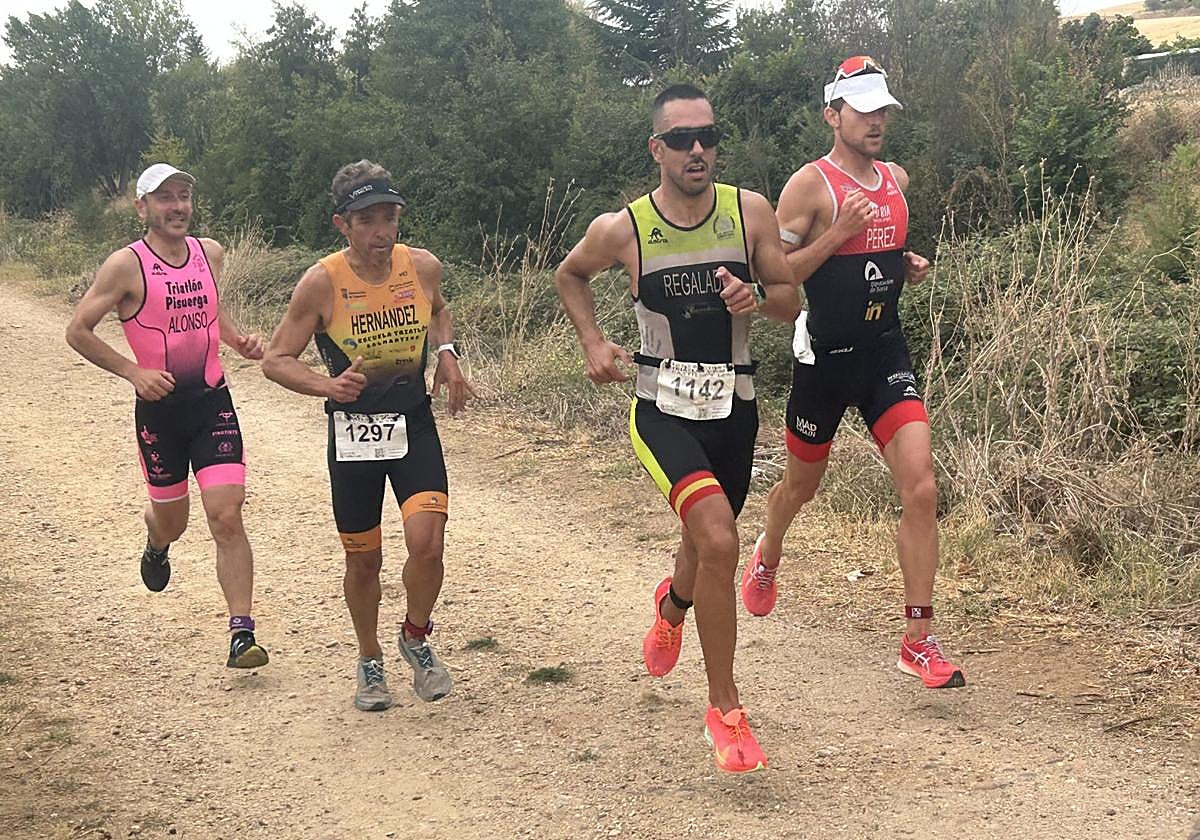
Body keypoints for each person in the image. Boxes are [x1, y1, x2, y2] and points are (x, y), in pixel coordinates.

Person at [555, 85, 800, 773]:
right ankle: (725, 713)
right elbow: (570, 275)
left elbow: (789, 299)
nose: (699, 149)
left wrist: (758, 296)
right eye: (683, 138)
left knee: (705, 545)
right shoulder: (624, 228)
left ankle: (673, 604)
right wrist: (593, 343)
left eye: (709, 136)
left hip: (734, 407)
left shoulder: (749, 211)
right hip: (660, 408)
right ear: (656, 148)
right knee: (720, 537)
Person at [741, 56, 964, 689]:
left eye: (882, 109)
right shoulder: (808, 188)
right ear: (832, 114)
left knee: (921, 490)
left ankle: (918, 639)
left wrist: (904, 264)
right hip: (825, 359)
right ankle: (768, 551)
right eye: (862, 110)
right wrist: (838, 231)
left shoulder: (897, 177)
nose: (876, 121)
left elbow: (881, 253)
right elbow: (781, 279)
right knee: (801, 487)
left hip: (885, 352)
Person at [262, 159, 474, 712]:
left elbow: (441, 312)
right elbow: (276, 360)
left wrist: (447, 357)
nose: (383, 231)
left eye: (390, 217)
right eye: (368, 220)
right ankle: (369, 660)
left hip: (412, 422)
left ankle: (416, 636)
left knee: (428, 544)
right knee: (364, 562)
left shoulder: (422, 266)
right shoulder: (322, 282)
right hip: (353, 433)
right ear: (343, 225)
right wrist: (326, 387)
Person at [65, 163, 269, 669]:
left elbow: (209, 310)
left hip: (212, 403)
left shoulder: (210, 253)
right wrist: (134, 372)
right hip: (159, 413)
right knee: (174, 521)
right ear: (143, 207)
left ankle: (241, 633)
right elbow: (78, 330)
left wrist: (235, 338)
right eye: (164, 198)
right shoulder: (125, 266)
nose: (177, 206)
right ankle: (156, 541)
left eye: (183, 196)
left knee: (226, 514)